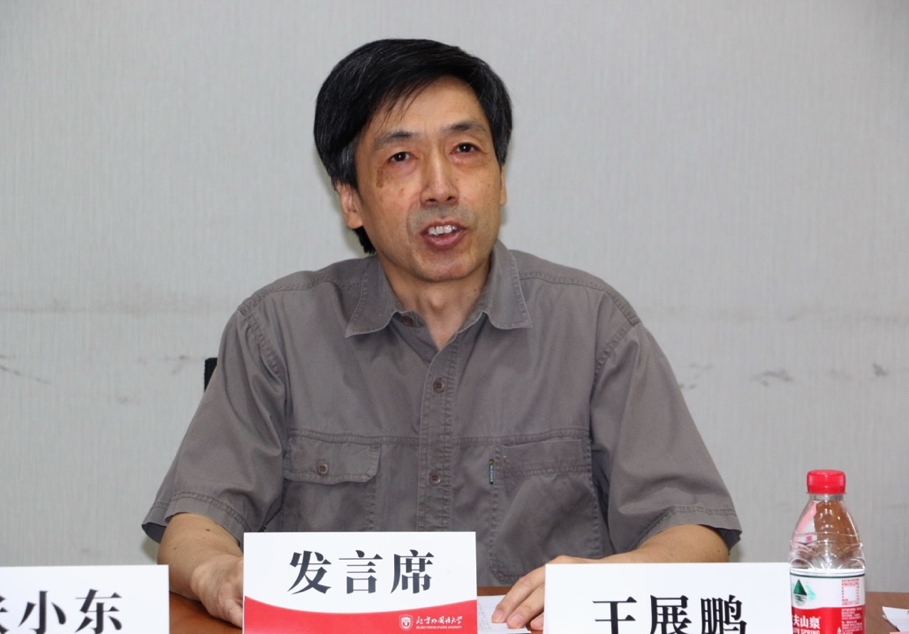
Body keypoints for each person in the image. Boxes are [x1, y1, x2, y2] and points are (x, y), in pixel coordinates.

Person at [143, 38, 741, 630]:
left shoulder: (592, 326)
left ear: (500, 180)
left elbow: (693, 528)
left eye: (465, 149)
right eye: (401, 157)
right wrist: (218, 573)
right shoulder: (276, 332)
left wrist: (616, 578)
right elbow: (196, 523)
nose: (441, 186)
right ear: (351, 200)